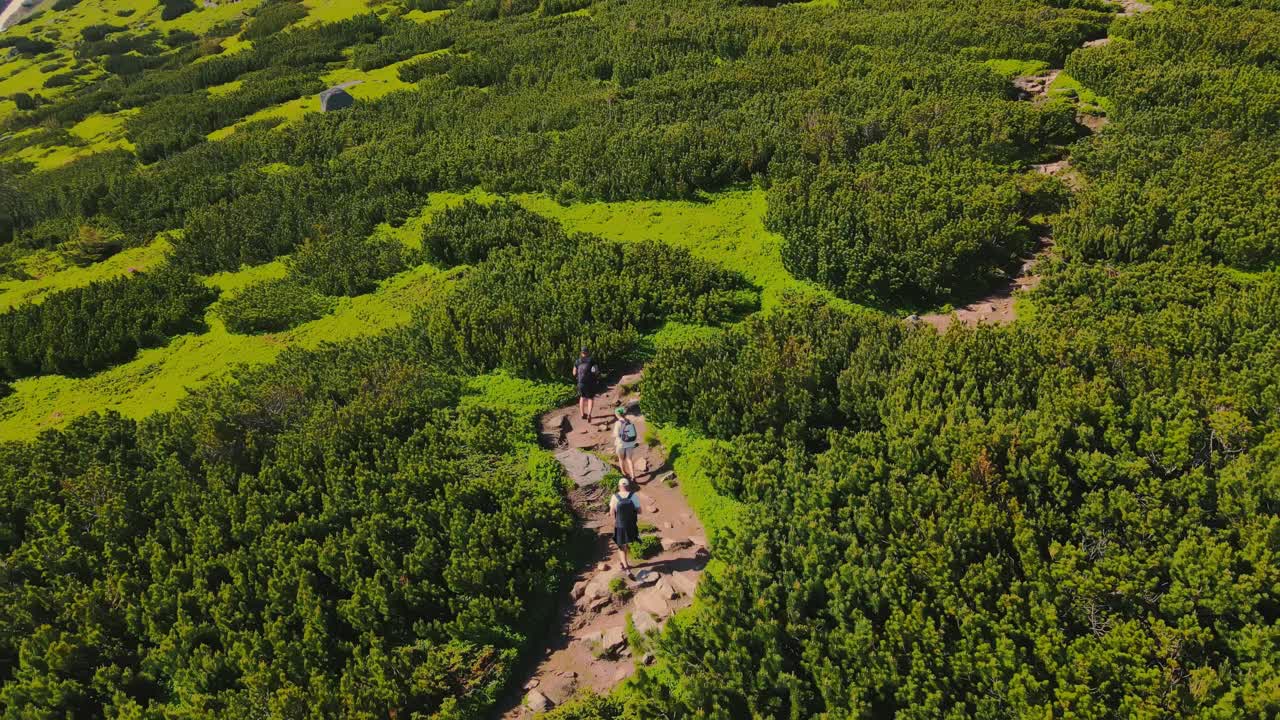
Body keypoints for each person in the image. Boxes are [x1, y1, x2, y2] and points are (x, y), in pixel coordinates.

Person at [609, 477, 642, 577]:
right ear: (628, 486)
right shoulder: (634, 496)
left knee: (621, 546)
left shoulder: (615, 496)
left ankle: (626, 568)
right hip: (631, 525)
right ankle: (624, 563)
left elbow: (611, 512)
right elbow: (640, 511)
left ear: (619, 486)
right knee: (627, 543)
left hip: (620, 525)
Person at [614, 406, 639, 481]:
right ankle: (633, 476)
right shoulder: (629, 421)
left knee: (621, 459)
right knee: (629, 459)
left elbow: (616, 434)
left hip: (621, 443)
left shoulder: (618, 423)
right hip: (630, 443)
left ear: (617, 414)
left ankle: (624, 474)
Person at [572, 348, 598, 421]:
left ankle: (582, 414)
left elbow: (574, 373)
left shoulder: (577, 361)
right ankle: (589, 414)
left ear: (581, 353)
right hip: (590, 383)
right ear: (588, 352)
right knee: (590, 398)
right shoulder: (591, 360)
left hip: (581, 383)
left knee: (582, 397)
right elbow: (596, 371)